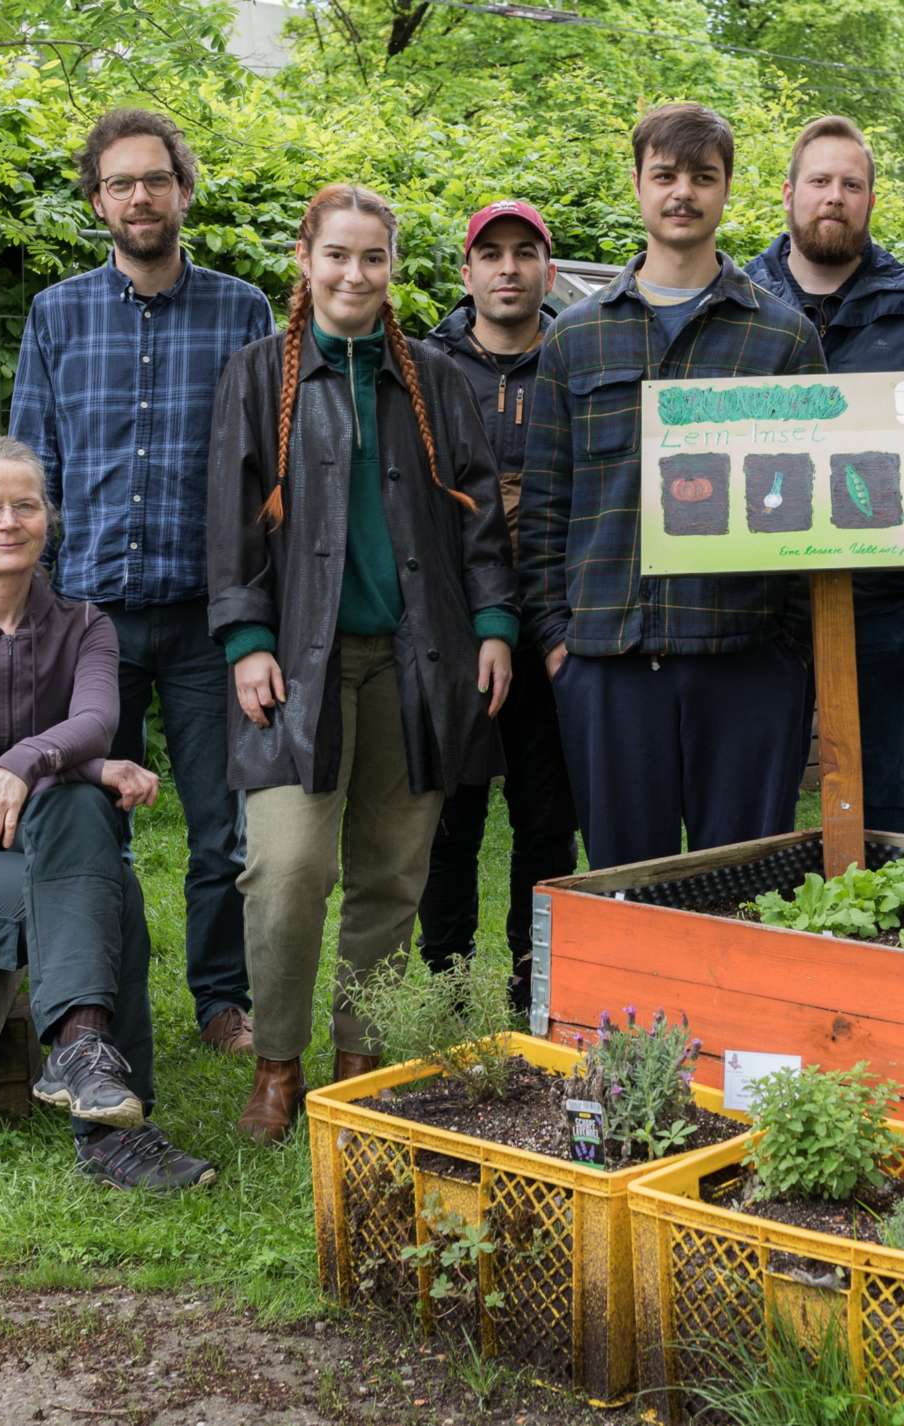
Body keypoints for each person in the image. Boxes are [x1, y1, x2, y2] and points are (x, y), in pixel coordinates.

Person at [206, 184, 518, 1144]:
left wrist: (497, 621)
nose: (355, 274)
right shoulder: (260, 378)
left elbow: (479, 514)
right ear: (305, 260)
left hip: (419, 661)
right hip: (301, 666)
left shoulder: (432, 377)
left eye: (373, 258)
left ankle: (358, 1058)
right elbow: (228, 521)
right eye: (337, 255)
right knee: (288, 867)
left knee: (393, 872)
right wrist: (247, 640)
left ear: (393, 268)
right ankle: (278, 1059)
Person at [0, 436, 215, 1191]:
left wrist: (26, 767)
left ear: (47, 519)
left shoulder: (84, 626)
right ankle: (111, 1131)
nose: (8, 522)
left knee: (85, 822)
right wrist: (64, 768)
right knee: (104, 880)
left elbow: (94, 721)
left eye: (25, 505)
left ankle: (85, 1063)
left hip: (34, 854)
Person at [9, 107, 272, 1057]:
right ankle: (106, 999)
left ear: (183, 191)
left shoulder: (243, 311)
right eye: (120, 183)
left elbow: (265, 468)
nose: (139, 197)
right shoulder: (57, 313)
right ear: (97, 201)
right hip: (90, 621)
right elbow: (33, 465)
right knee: (89, 823)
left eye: (155, 180)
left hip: (207, 616)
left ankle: (220, 1003)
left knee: (220, 833)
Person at [520, 102, 826, 871]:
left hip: (746, 661)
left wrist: (788, 654)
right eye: (665, 175)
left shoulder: (783, 337)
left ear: (727, 190)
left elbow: (812, 505)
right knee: (631, 898)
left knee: (746, 891)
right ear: (638, 184)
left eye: (702, 177)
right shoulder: (574, 335)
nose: (682, 192)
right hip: (610, 665)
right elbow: (546, 504)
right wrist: (560, 645)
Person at [744, 115, 904, 836]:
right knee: (758, 788)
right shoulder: (737, 301)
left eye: (851, 184)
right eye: (820, 181)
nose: (834, 196)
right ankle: (765, 941)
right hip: (759, 600)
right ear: (788, 193)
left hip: (881, 598)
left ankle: (884, 936)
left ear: (870, 199)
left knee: (880, 786)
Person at [415, 200, 580, 1014]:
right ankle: (445, 983)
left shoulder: (577, 357)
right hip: (453, 634)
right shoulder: (424, 369)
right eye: (492, 255)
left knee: (548, 821)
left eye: (525, 253)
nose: (508, 268)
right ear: (467, 272)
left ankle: (532, 979)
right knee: (450, 821)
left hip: (553, 627)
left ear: (548, 270)